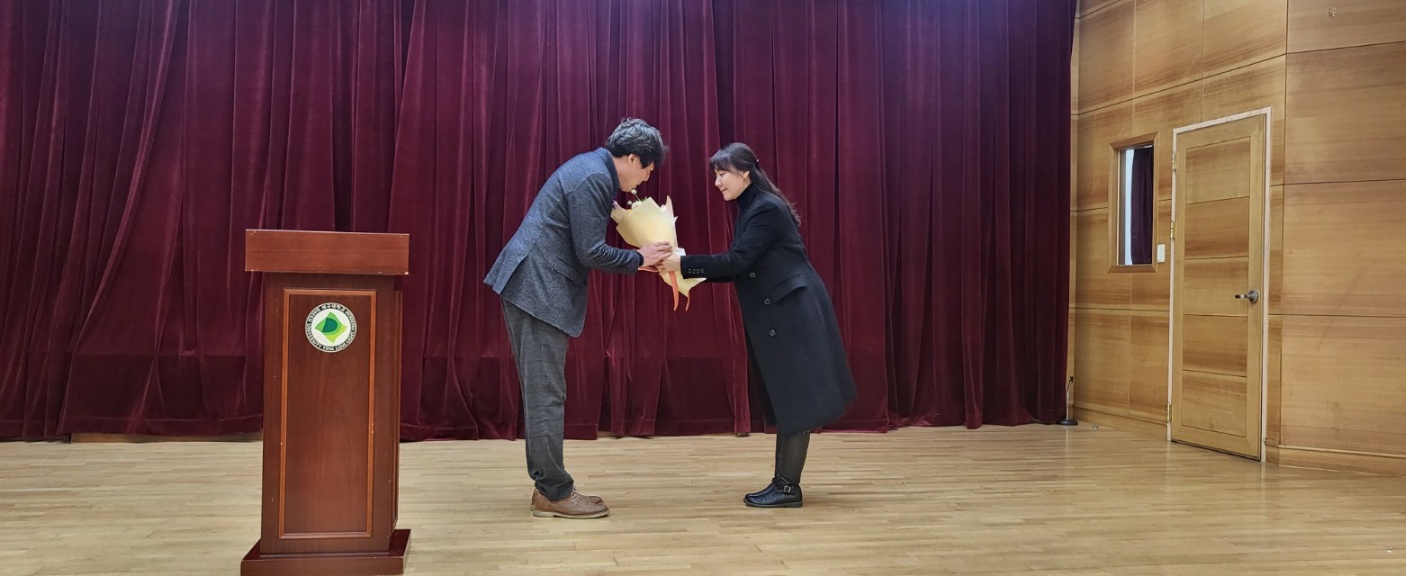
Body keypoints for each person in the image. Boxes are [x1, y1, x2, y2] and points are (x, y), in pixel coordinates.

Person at [484, 118, 673, 519]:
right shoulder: (594, 177)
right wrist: (638, 258)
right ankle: (553, 492)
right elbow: (591, 251)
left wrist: (636, 258)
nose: (646, 178)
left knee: (544, 392)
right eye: (648, 169)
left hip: (532, 286)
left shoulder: (591, 167)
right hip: (537, 289)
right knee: (546, 394)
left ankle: (548, 487)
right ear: (633, 158)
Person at [660, 142, 856, 508]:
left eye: (723, 173)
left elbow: (736, 261)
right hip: (787, 309)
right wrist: (681, 266)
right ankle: (784, 484)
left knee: (797, 400)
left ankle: (787, 487)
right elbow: (739, 266)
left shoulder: (765, 208)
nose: (717, 182)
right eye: (715, 175)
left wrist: (681, 264)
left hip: (793, 311)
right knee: (793, 399)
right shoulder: (753, 207)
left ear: (745, 172)